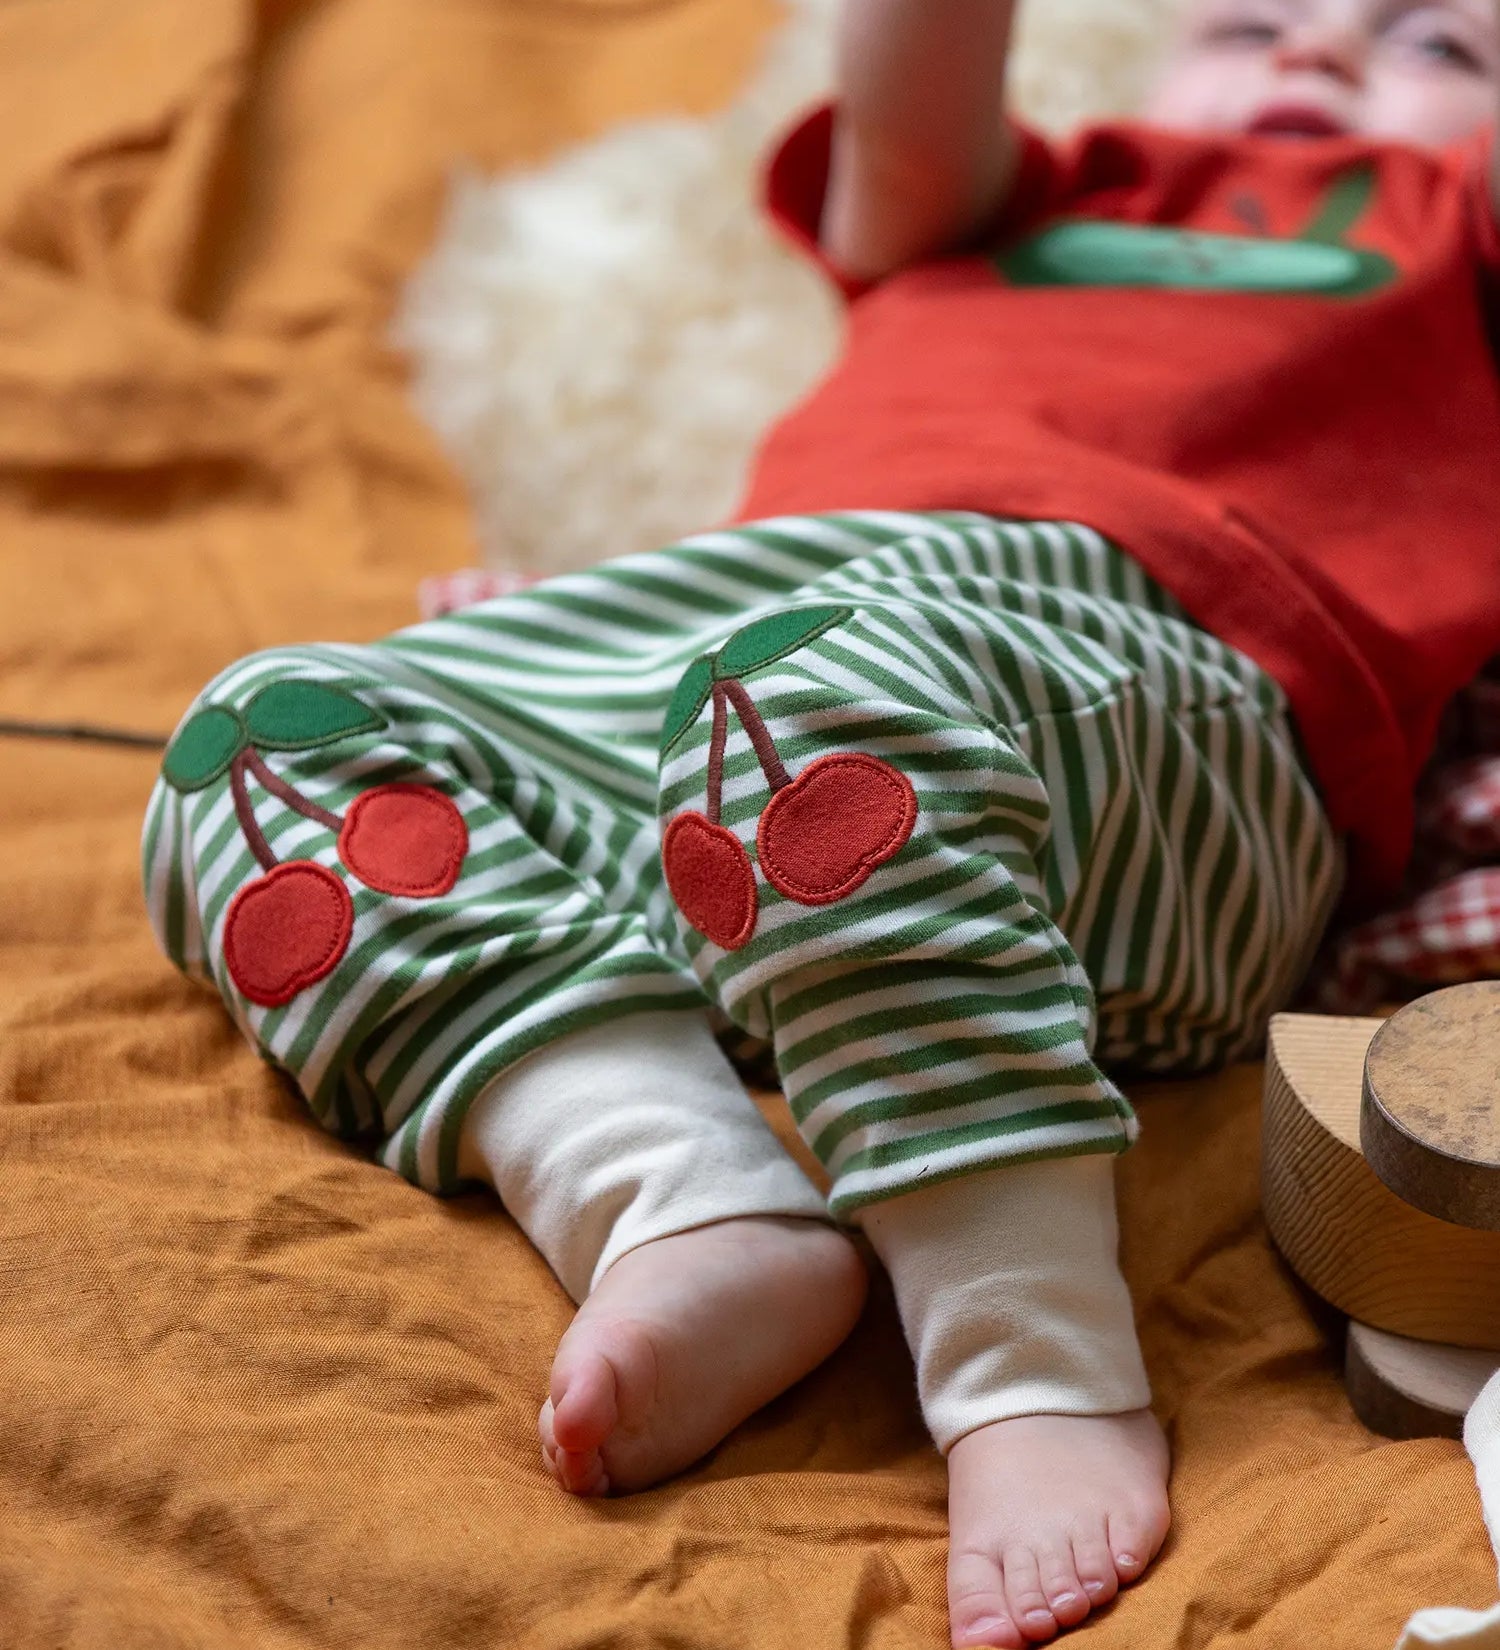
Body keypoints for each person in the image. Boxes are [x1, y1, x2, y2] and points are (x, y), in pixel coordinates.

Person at [141, 2, 1500, 1645]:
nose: (1314, 57)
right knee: (258, 739)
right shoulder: (1028, 194)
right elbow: (915, 109)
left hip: (1174, 692)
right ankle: (675, 1191)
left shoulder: (1447, 239)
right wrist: (573, 658)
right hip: (737, 647)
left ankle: (1029, 1358)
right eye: (1252, 18)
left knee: (806, 699)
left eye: (1438, 46)